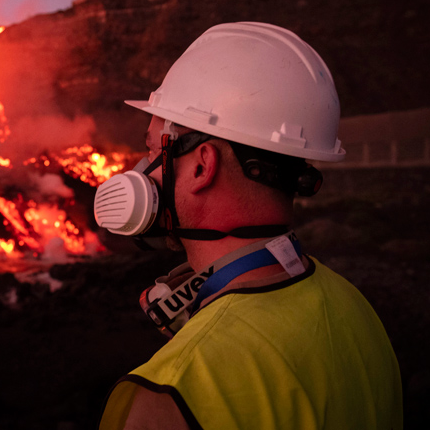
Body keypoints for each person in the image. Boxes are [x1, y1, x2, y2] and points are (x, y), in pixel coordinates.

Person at [94, 22, 402, 429]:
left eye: (152, 150)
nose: (142, 170)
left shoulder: (171, 392)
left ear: (203, 165)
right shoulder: (355, 310)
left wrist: (204, 345)